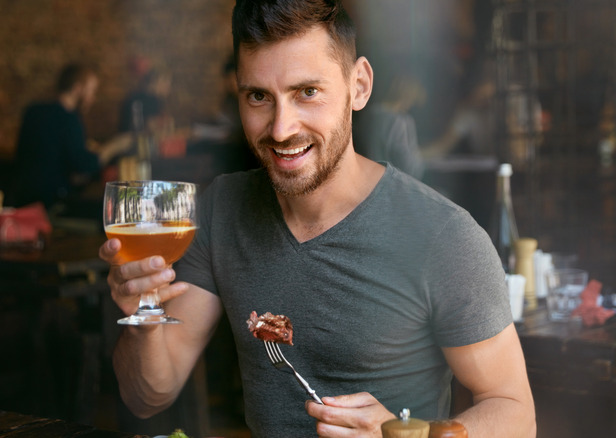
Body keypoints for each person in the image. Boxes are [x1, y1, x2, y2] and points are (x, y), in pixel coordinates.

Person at [99, 1, 536, 437]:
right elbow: (148, 396)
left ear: (359, 86)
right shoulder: (222, 209)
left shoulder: (443, 236)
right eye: (259, 97)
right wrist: (143, 313)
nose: (281, 128)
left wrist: (411, 435)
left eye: (307, 92)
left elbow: (515, 414)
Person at [13, 63, 130, 208]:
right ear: (77, 88)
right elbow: (84, 165)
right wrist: (114, 146)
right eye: (91, 91)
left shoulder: (33, 111)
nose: (92, 98)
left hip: (22, 198)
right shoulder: (69, 119)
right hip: (52, 204)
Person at [353, 72, 426, 179]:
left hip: (367, 179)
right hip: (392, 183)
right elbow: (410, 168)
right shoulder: (400, 121)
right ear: (408, 94)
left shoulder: (369, 114)